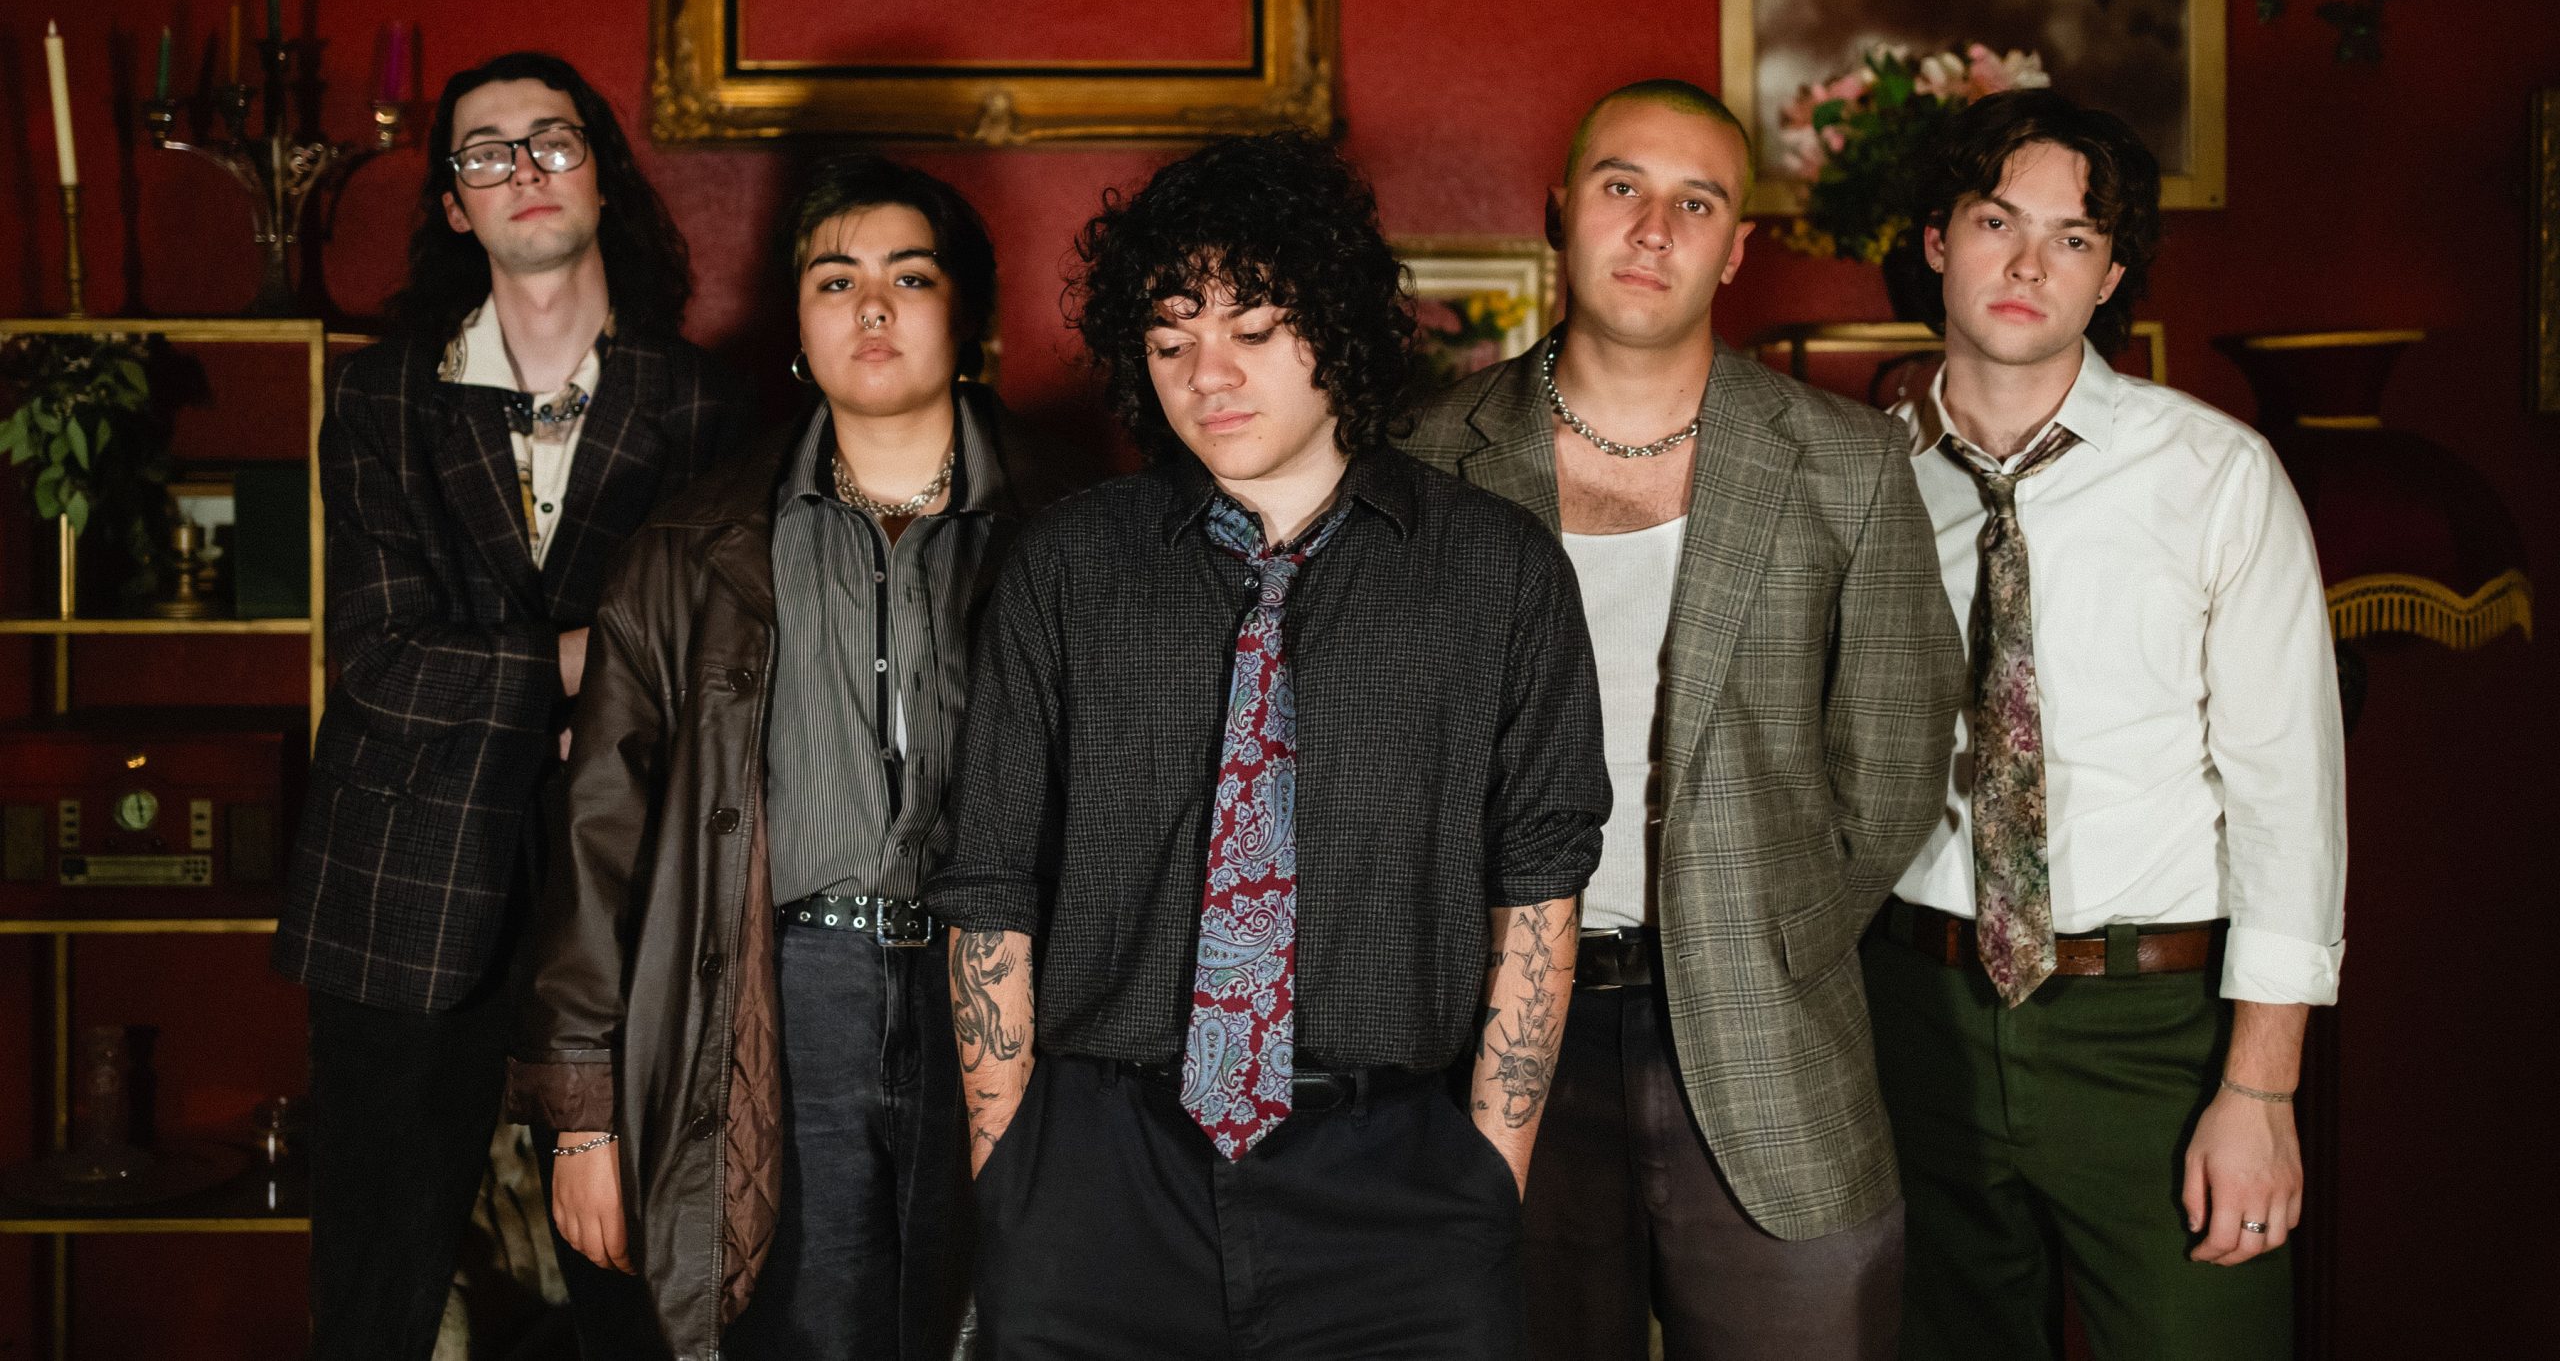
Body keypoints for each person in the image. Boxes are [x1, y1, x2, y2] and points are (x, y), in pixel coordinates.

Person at [926, 131, 1610, 1361]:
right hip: (1097, 1175)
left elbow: (1539, 887)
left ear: (1335, 323)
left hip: (1398, 1182)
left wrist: (1486, 1174)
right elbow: (990, 882)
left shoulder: (1497, 572)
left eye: (1252, 327)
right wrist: (1011, 1168)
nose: (1209, 373)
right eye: (1170, 337)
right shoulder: (1066, 565)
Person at [1403, 79, 1965, 1361]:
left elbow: (1890, 766)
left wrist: (1765, 933)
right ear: (1559, 210)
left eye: (1694, 202)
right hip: (1490, 1030)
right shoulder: (1424, 453)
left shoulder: (1846, 461)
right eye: (1622, 187)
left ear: (1736, 246)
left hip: (1767, 1029)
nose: (1653, 229)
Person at [509, 155, 1083, 1361]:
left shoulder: (1079, 528)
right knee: (805, 1333)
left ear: (965, 315)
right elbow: (600, 836)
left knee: (1008, 1322)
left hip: (1012, 990)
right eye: (835, 279)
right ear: (798, 325)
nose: (870, 307)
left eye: (908, 276)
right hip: (781, 993)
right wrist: (582, 1116)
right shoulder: (690, 547)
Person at [274, 51, 746, 1361]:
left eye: (554, 139)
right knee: (374, 1301)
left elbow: (716, 663)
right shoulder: (378, 395)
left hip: (624, 885)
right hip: (400, 879)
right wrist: (597, 661)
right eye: (487, 151)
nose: (525, 168)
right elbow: (383, 663)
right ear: (452, 203)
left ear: (601, 173)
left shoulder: (704, 401)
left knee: (636, 1295)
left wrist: (569, 680)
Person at [1863, 87, 2346, 1359]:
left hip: (2154, 1031)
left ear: (2110, 274)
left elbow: (2289, 802)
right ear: (1937, 240)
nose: (2028, 263)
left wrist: (2260, 1086)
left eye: (2072, 236)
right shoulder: (1859, 477)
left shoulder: (2217, 476)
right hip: (1916, 1015)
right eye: (1996, 220)